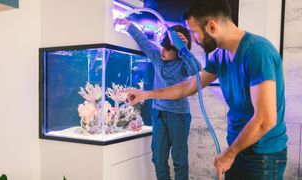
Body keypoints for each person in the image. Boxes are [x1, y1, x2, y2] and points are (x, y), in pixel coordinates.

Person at [124, 0, 288, 179]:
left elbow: (265, 119)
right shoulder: (219, 57)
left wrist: (230, 153)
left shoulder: (257, 51)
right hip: (236, 146)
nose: (194, 39)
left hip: (262, 155)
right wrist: (146, 94)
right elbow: (189, 86)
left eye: (194, 32)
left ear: (211, 26)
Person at [114, 18, 202, 180]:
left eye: (169, 50)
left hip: (179, 116)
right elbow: (143, 41)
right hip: (158, 113)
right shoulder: (157, 56)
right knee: (158, 159)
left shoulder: (183, 63)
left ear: (178, 52)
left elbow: (197, 69)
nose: (163, 51)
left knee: (179, 159)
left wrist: (184, 50)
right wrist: (128, 25)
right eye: (163, 46)